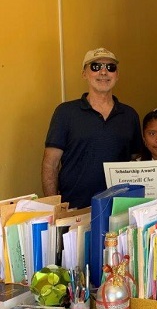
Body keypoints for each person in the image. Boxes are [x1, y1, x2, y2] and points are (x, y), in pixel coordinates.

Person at [42, 47, 143, 208]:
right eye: (96, 67)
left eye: (110, 67)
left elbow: (136, 162)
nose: (103, 72)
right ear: (84, 74)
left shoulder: (130, 115)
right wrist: (55, 208)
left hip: (119, 208)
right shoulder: (65, 112)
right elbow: (50, 164)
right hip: (74, 209)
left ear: (117, 75)